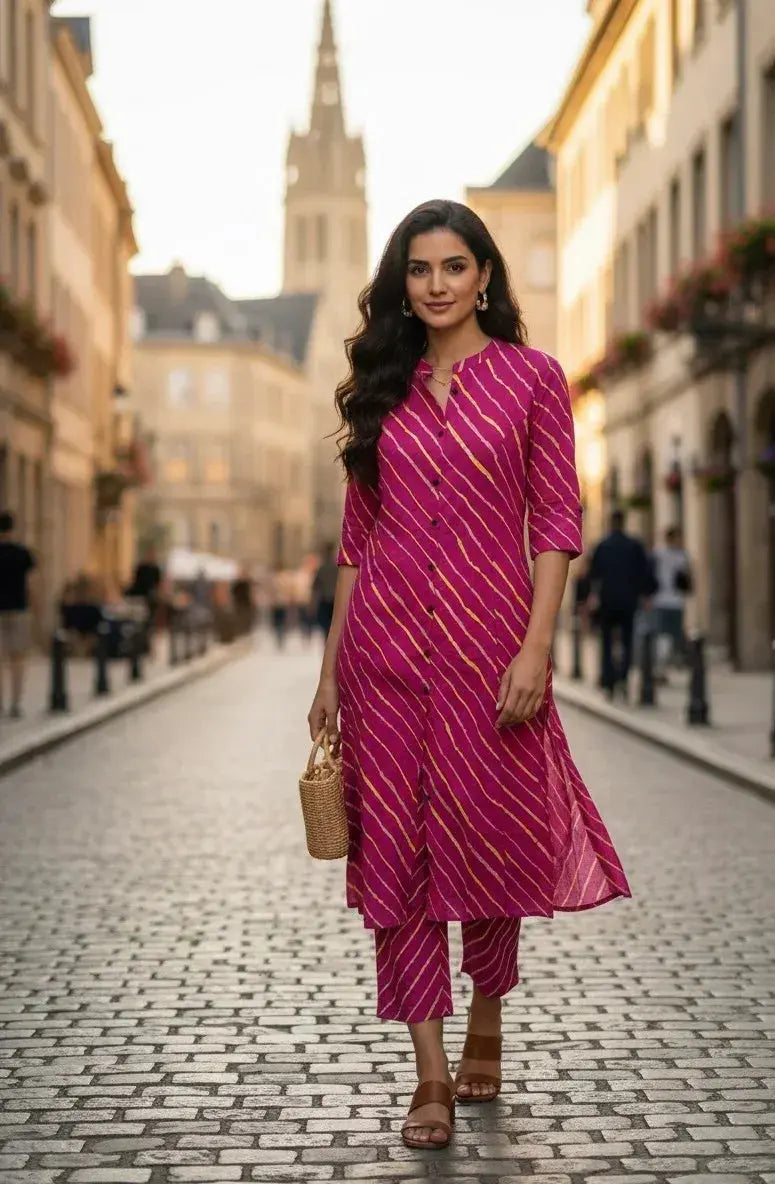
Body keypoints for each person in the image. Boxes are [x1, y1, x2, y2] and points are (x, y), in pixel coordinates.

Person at [306, 200, 631, 1151]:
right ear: (401, 283)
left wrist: (536, 646)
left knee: (490, 840)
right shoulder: (382, 389)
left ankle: (487, 1011)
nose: (436, 284)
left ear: (484, 275)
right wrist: (329, 673)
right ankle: (430, 1075)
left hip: (491, 652)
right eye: (418, 269)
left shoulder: (532, 379)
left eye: (454, 266)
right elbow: (356, 543)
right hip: (384, 657)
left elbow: (555, 521)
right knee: (396, 857)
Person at [587, 509, 655, 700]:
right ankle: (623, 678)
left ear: (611, 523)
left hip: (607, 600)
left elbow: (594, 575)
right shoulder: (634, 546)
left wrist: (593, 596)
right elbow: (644, 572)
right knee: (627, 641)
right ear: (623, 523)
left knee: (607, 642)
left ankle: (608, 681)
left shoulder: (602, 546)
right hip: (628, 600)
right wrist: (646, 595)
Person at [0, 511, 38, 717]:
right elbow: (31, 585)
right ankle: (15, 702)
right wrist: (34, 608)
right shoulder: (22, 553)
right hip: (19, 610)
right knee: (18, 658)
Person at [651, 526, 692, 678]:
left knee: (667, 637)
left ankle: (662, 668)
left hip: (669, 601)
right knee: (665, 636)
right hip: (667, 601)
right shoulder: (679, 556)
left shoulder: (658, 554)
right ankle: (661, 668)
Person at [310, 541, 338, 639]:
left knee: (326, 628)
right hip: (335, 600)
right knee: (334, 627)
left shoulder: (322, 568)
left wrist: (313, 604)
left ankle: (328, 643)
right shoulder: (337, 567)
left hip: (326, 600)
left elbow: (316, 588)